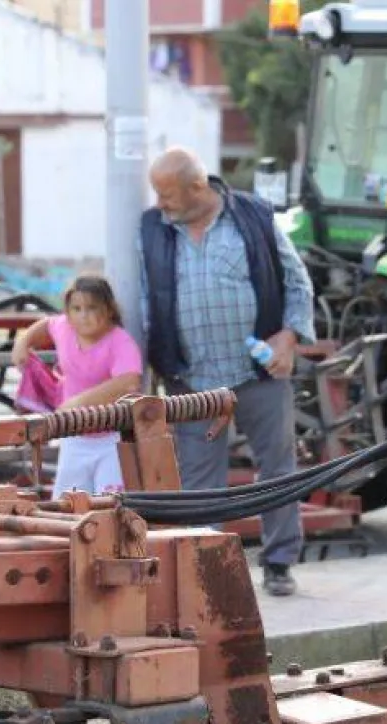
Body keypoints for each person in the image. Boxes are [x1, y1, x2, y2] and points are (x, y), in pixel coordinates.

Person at [139, 147, 316, 597]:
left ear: (198, 187)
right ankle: (207, 574)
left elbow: (297, 282)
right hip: (192, 378)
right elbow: (144, 300)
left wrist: (290, 337)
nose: (160, 203)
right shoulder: (153, 229)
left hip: (256, 372)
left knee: (278, 469)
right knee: (199, 483)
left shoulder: (253, 215)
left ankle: (279, 563)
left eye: (167, 194)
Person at [10, 276, 144, 499]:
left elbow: (129, 382)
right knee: (68, 505)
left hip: (112, 439)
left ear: (109, 309)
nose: (84, 316)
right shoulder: (64, 328)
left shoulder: (120, 341)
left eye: (92, 308)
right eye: (77, 309)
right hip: (74, 436)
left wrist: (79, 402)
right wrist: (22, 344)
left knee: (112, 505)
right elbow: (46, 325)